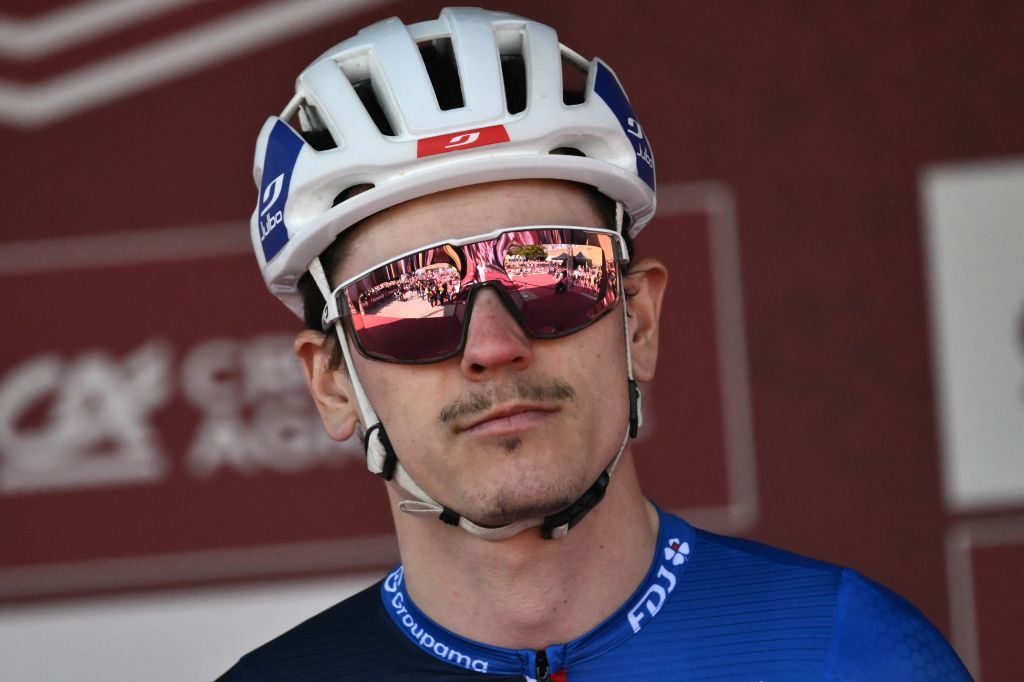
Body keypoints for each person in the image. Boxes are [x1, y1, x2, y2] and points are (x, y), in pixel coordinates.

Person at [219, 8, 970, 681]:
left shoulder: (854, 655)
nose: (492, 345)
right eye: (410, 298)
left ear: (637, 321)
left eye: (551, 269)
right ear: (333, 386)